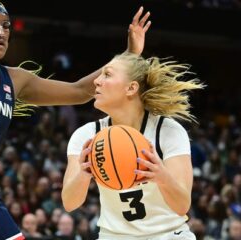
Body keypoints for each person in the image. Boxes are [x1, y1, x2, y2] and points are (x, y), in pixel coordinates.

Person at [0, 0, 151, 239]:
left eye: (6, 25)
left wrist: (128, 55)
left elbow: (79, 91)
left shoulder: (14, 79)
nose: (1, 32)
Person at [62, 51, 205, 239]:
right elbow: (69, 203)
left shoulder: (167, 131)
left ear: (131, 88)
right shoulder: (86, 135)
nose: (96, 81)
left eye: (107, 74)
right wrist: (83, 174)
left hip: (168, 234)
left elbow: (182, 206)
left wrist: (162, 176)